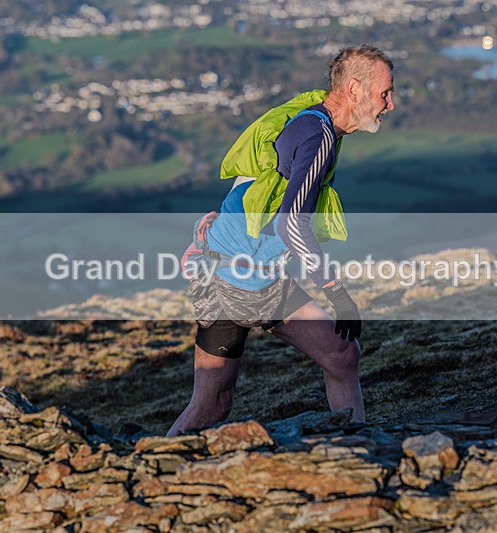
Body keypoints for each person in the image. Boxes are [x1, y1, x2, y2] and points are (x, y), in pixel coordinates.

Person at [167, 44, 395, 437]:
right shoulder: (319, 137)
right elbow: (292, 224)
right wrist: (337, 293)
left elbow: (260, 176)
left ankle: (360, 445)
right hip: (236, 280)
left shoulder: (309, 116)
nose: (389, 105)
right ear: (355, 90)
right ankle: (150, 474)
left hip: (240, 271)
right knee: (213, 404)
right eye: (384, 93)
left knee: (339, 357)